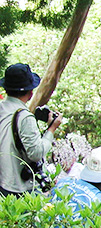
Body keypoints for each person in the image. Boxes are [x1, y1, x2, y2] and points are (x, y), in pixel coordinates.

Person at [0, 63, 63, 196]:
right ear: (30, 92)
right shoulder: (24, 117)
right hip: (18, 188)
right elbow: (36, 153)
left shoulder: (2, 108)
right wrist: (51, 129)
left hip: (2, 181)